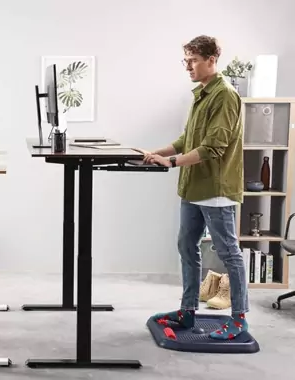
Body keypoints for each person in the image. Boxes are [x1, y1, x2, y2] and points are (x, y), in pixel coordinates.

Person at [143, 35, 248, 340]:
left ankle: (239, 319)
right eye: (185, 60)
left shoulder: (225, 96)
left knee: (229, 253)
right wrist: (157, 154)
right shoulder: (199, 95)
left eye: (193, 60)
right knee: (186, 246)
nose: (188, 66)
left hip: (215, 189)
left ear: (211, 60)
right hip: (192, 188)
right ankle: (188, 311)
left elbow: (213, 147)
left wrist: (173, 163)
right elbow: (185, 141)